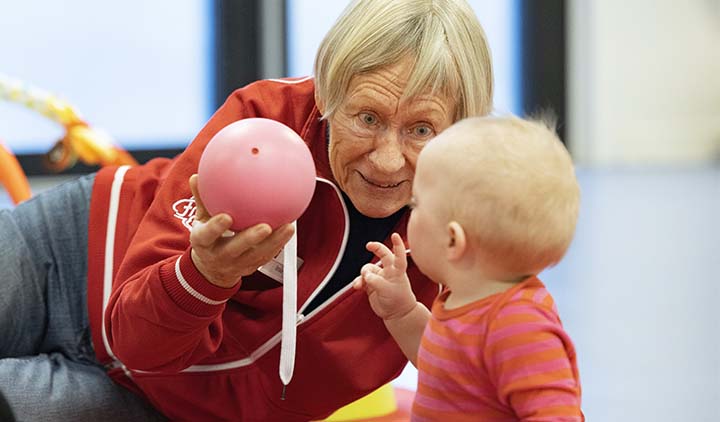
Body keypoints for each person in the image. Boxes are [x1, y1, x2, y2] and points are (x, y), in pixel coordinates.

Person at [0, 0, 493, 420]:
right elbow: (135, 335)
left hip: (153, 407)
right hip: (74, 253)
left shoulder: (461, 226)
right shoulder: (268, 120)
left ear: (460, 128)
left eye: (421, 130)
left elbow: (506, 375)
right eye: (367, 118)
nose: (387, 160)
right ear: (327, 94)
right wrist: (204, 274)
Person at [353, 116, 584, 420]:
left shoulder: (519, 326)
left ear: (453, 240)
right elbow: (444, 365)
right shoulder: (466, 299)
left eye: (416, 204)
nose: (409, 213)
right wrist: (402, 310)